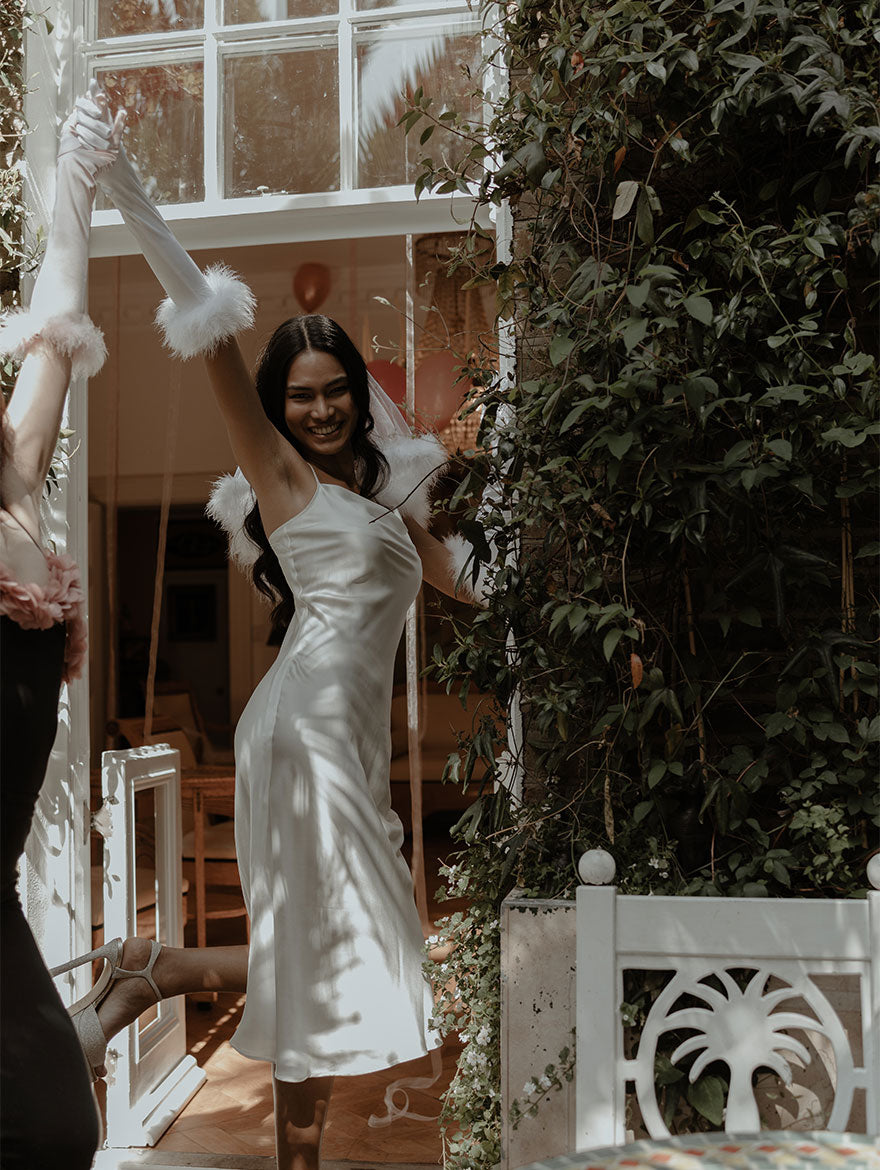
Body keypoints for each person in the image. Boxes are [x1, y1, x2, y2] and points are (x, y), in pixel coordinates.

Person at [60, 87, 485, 1170]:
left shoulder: (388, 506)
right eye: (300, 396)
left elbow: (467, 588)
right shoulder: (282, 479)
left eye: (336, 390)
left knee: (341, 953)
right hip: (300, 736)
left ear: (357, 391)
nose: (322, 409)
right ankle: (175, 992)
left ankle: (162, 969)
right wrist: (125, 181)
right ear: (279, 408)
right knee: (345, 954)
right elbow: (203, 315)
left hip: (336, 738)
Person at [0, 85, 125, 1169]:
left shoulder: (18, 491)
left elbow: (51, 334)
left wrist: (78, 184)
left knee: (52, 1129)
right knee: (47, 1127)